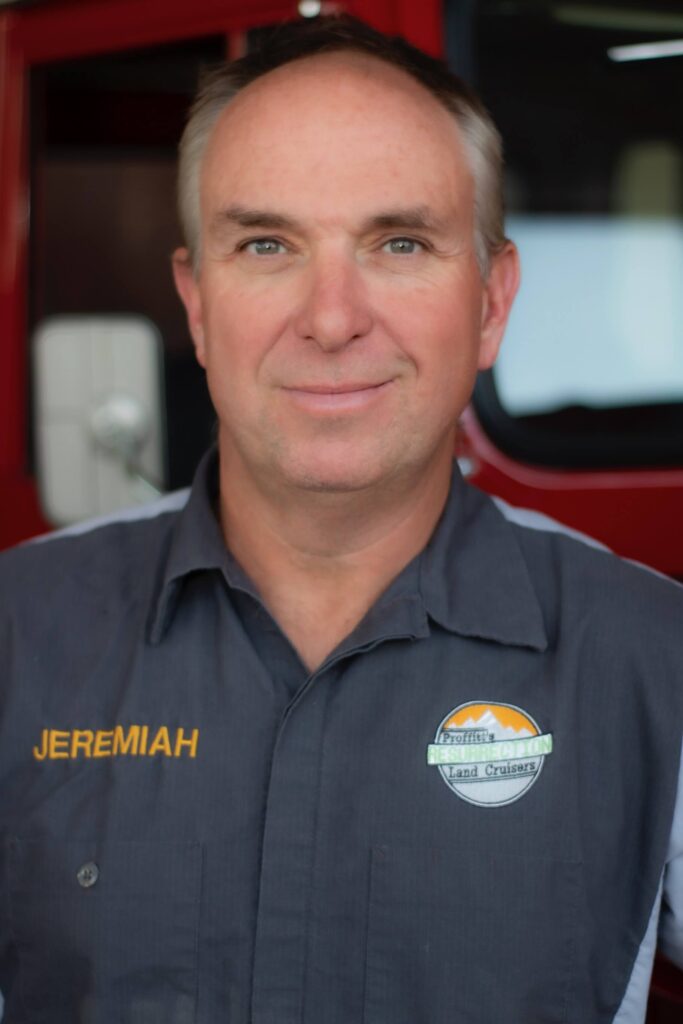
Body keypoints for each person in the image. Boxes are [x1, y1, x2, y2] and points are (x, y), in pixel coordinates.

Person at [0, 14, 681, 1024]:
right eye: (267, 243)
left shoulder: (652, 656)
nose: (329, 317)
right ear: (195, 303)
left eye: (398, 242)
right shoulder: (16, 630)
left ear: (490, 302)